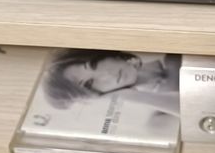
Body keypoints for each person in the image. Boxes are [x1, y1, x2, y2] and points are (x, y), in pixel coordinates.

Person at [45, 49, 180, 115]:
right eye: (89, 83)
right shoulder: (160, 112)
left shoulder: (171, 52)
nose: (107, 74)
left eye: (93, 65)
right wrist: (128, 96)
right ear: (96, 94)